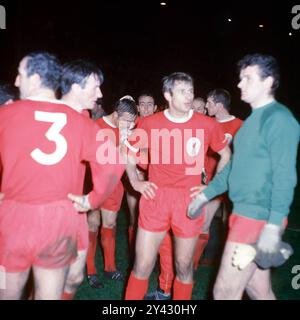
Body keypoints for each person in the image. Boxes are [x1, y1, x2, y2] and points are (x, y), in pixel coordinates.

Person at [0, 52, 124, 300]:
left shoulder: (7, 113)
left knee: (7, 291)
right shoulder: (82, 123)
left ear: (34, 79)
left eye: (20, 75)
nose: (15, 81)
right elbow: (113, 162)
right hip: (60, 217)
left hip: (14, 218)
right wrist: (94, 199)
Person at [188, 53, 300, 300]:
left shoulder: (279, 119)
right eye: (240, 78)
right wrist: (206, 194)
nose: (239, 84)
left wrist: (272, 226)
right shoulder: (250, 122)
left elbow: (285, 176)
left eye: (247, 78)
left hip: (257, 218)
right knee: (259, 291)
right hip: (243, 214)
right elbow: (233, 167)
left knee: (224, 292)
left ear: (268, 81)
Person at [123, 72, 231, 300]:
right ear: (168, 95)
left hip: (188, 201)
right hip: (156, 199)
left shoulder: (207, 124)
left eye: (191, 90)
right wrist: (135, 181)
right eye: (183, 91)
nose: (189, 95)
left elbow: (225, 155)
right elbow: (129, 155)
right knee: (142, 265)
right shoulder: (150, 123)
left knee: (183, 267)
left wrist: (211, 188)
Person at [59, 59, 106, 299]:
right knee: (48, 282)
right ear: (76, 86)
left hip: (76, 206)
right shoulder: (49, 112)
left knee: (74, 277)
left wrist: (92, 198)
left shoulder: (85, 116)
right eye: (95, 86)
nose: (100, 93)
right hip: (47, 209)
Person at [86, 96, 138, 286]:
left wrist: (126, 139)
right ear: (115, 114)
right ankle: (91, 270)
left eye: (132, 120)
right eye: (125, 119)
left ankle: (110, 268)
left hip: (115, 184)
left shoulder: (127, 129)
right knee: (92, 222)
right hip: (94, 182)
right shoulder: (97, 126)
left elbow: (125, 160)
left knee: (110, 224)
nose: (129, 123)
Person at [192, 89, 243, 269]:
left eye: (209, 103)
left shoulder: (239, 125)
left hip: (226, 183)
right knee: (201, 221)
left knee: (217, 222)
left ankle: (201, 261)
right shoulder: (207, 123)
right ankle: (194, 262)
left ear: (219, 105)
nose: (206, 106)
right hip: (204, 181)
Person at [125, 92, 158, 256]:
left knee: (156, 220)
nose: (146, 107)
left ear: (156, 107)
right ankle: (134, 256)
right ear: (137, 107)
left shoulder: (162, 124)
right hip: (135, 175)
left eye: (149, 104)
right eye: (142, 104)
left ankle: (153, 255)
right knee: (134, 216)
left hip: (157, 178)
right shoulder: (129, 125)